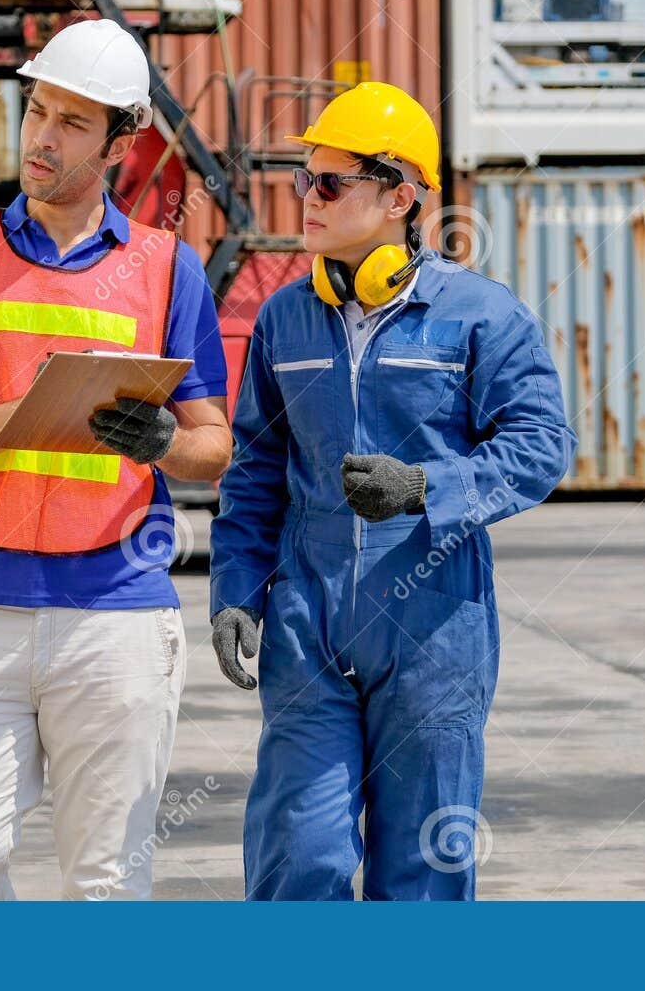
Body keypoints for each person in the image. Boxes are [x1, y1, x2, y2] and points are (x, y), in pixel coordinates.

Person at [208, 81, 575, 900]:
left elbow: (544, 445)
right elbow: (256, 469)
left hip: (434, 629)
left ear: (400, 197)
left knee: (423, 876)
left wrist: (427, 487)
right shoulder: (284, 321)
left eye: (331, 182)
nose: (307, 197)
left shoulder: (481, 317)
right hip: (309, 625)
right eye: (305, 178)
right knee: (298, 856)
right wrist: (236, 587)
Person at [0, 18, 232, 900]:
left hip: (115, 615)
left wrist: (164, 443)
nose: (43, 137)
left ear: (123, 141)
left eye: (74, 123)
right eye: (38, 111)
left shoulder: (168, 269)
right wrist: (30, 416)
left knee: (106, 882)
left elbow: (216, 446)